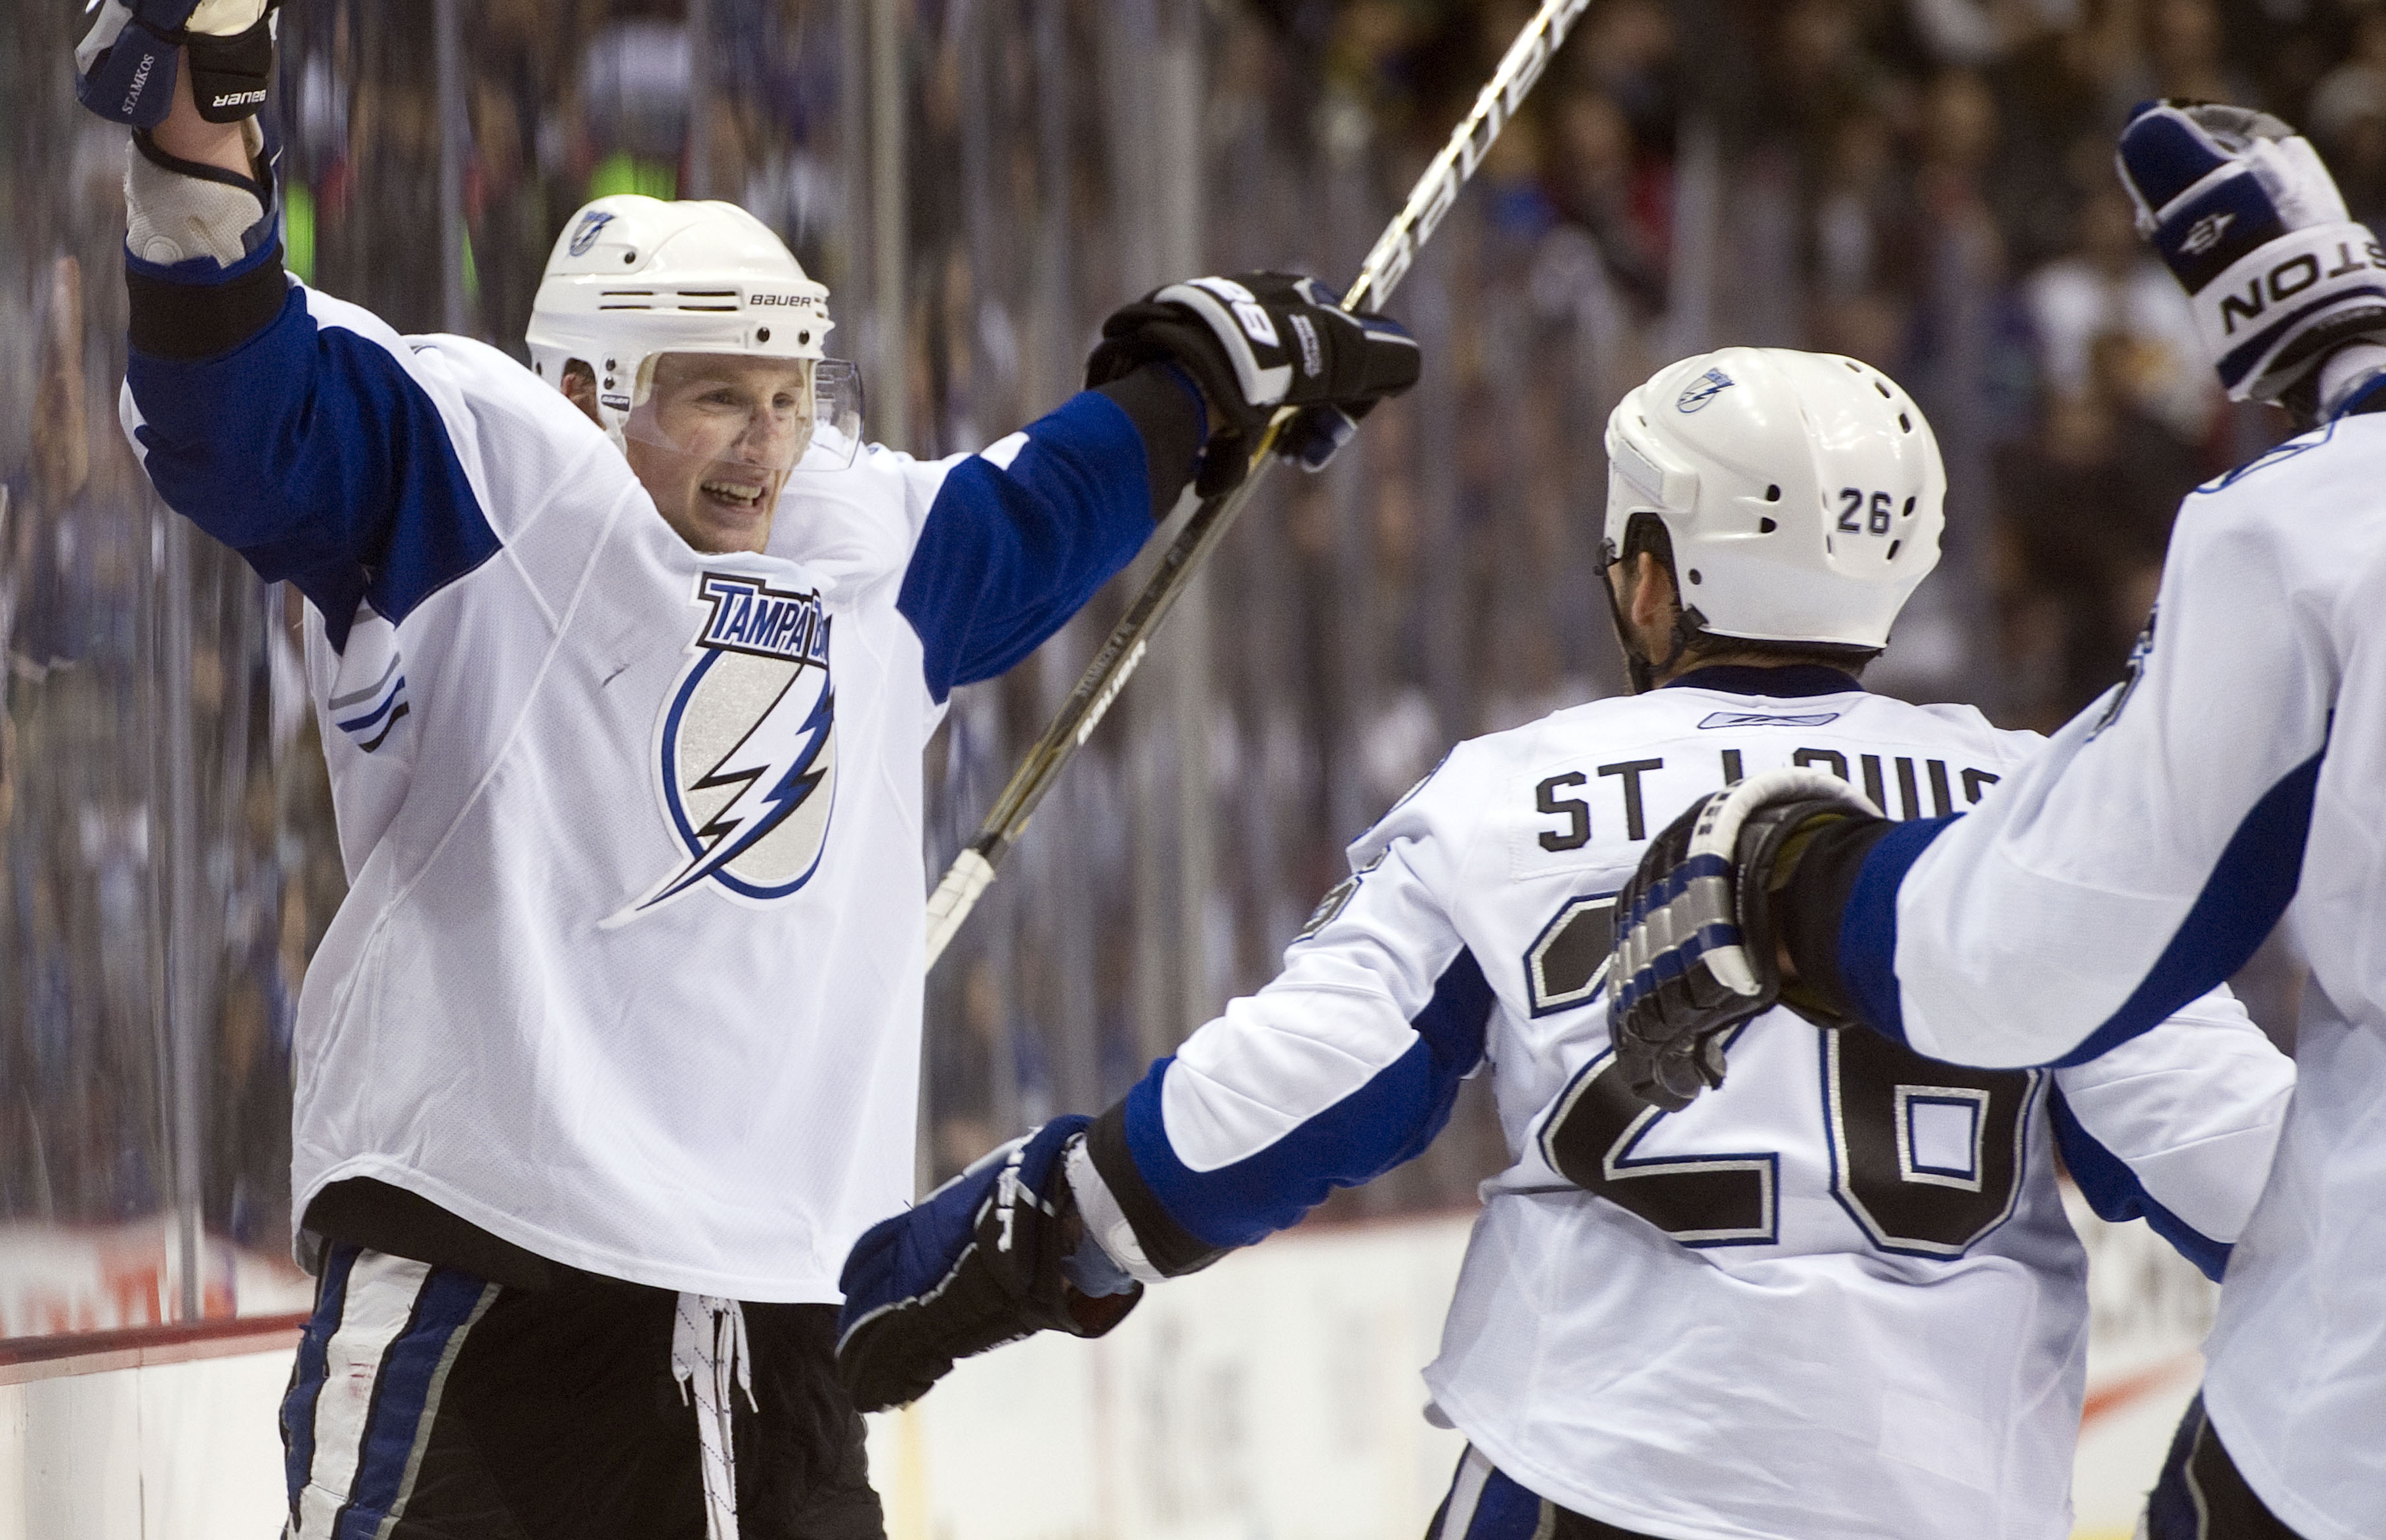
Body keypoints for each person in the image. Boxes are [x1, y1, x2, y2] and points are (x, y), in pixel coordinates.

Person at [71, 0, 1418, 1540]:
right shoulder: (492, 487)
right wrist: (206, 121)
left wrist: (1202, 376)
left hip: (782, 1338)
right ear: (589, 395)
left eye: (787, 394)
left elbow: (1039, 519)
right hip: (494, 1303)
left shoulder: (860, 549)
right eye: (711, 391)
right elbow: (238, 421)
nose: (761, 445)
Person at [829, 347, 2294, 1540]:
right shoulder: (2034, 803)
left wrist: (1034, 1237)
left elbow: (1295, 1088)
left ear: (1652, 576)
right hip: (1948, 1495)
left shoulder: (1508, 792)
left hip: (1597, 1472)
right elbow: (2227, 1156)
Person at [1602, 101, 2386, 1540]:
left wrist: (1794, 881)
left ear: (1647, 571)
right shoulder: (1992, 758)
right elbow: (2201, 1128)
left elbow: (2043, 948)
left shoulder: (2322, 532)